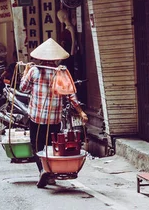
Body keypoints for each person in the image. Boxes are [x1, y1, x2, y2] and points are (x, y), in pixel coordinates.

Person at [19, 38, 88, 188]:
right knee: (51, 145)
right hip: (54, 118)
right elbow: (70, 95)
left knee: (37, 144)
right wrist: (81, 112)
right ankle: (50, 173)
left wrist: (25, 72)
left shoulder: (33, 71)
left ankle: (43, 170)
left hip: (36, 117)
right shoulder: (61, 73)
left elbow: (22, 89)